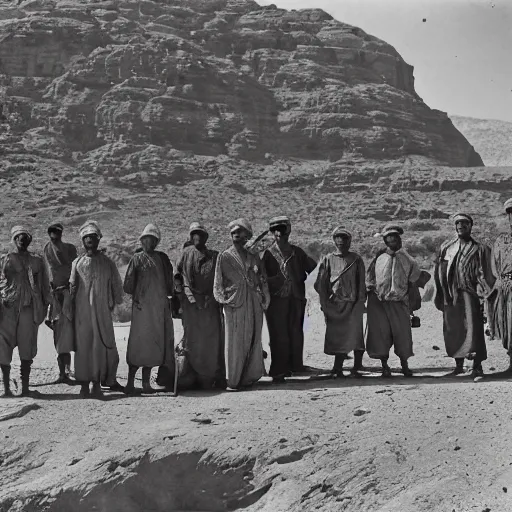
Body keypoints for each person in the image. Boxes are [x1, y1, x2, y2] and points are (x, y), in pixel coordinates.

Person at [434, 213, 494, 378]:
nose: (461, 226)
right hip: (450, 295)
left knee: (473, 329)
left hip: (470, 294)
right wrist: (440, 292)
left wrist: (486, 295)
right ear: (455, 227)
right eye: (458, 223)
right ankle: (458, 365)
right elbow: (439, 269)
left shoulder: (480, 248)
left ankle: (477, 365)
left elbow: (486, 273)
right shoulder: (447, 247)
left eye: (464, 223)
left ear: (470, 226)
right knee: (453, 328)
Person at [213, 218, 270, 391]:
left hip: (253, 300)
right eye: (233, 232)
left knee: (252, 337)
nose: (236, 234)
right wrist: (223, 300)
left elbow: (262, 278)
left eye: (240, 232)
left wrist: (265, 297)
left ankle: (249, 377)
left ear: (247, 235)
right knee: (234, 341)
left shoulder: (253, 256)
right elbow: (218, 282)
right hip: (234, 302)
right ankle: (233, 380)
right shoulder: (224, 256)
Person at [70, 221, 124, 398]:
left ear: (98, 240)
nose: (90, 241)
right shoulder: (77, 263)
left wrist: (116, 303)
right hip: (82, 313)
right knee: (84, 346)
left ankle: (97, 384)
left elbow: (117, 284)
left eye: (93, 237)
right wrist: (69, 310)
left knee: (100, 346)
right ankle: (84, 384)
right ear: (83, 241)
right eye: (87, 238)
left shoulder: (108, 263)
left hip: (102, 312)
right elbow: (72, 287)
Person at [262, 216, 316, 382]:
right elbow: (261, 277)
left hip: (296, 297)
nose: (280, 233)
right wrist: (278, 281)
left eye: (283, 230)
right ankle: (279, 368)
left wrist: (299, 279)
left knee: (296, 332)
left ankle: (296, 365)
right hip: (277, 300)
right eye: (276, 230)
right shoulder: (267, 254)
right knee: (278, 334)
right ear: (273, 233)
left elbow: (312, 268)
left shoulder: (296, 252)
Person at [123, 224, 175, 394]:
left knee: (153, 345)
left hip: (158, 310)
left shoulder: (162, 259)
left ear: (156, 242)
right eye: (146, 239)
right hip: (141, 310)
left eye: (152, 240)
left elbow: (169, 285)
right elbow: (128, 285)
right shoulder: (136, 259)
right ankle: (130, 383)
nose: (149, 243)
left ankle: (146, 384)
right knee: (138, 345)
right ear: (142, 241)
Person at [0, 226, 50, 397]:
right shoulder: (5, 259)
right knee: (3, 345)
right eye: (18, 238)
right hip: (7, 308)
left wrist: (46, 304)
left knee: (27, 345)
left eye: (24, 238)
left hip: (28, 307)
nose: (21, 241)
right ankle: (6, 388)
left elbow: (44, 284)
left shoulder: (37, 261)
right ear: (14, 240)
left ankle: (25, 388)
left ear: (29, 241)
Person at [366, 224, 420, 378]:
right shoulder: (379, 258)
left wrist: (412, 304)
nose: (392, 240)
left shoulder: (408, 259)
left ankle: (405, 365)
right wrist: (371, 290)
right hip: (380, 303)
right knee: (381, 334)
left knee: (402, 335)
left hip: (400, 302)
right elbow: (370, 278)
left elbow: (413, 281)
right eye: (389, 238)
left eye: (395, 237)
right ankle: (385, 367)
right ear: (385, 240)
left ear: (399, 239)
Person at [177, 222, 225, 389]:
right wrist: (184, 297)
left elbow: (220, 280)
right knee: (192, 342)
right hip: (191, 306)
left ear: (205, 238)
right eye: (194, 234)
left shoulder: (215, 256)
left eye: (200, 235)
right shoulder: (185, 254)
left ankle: (208, 377)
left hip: (210, 305)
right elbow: (178, 276)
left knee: (210, 342)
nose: (197, 237)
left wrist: (213, 298)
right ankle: (190, 376)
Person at [314, 227, 366, 378]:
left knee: (356, 334)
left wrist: (360, 302)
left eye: (344, 239)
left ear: (349, 241)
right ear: (334, 241)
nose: (341, 242)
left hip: (353, 304)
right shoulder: (328, 259)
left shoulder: (356, 260)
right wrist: (325, 303)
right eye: (338, 239)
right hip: (335, 305)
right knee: (337, 336)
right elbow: (320, 284)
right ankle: (338, 367)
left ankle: (357, 366)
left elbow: (361, 283)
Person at [43, 222, 78, 383]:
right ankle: (61, 373)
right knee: (58, 335)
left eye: (56, 232)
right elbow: (49, 273)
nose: (54, 236)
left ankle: (67, 371)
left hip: (68, 295)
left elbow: (73, 269)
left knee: (68, 335)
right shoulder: (47, 249)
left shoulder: (70, 249)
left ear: (61, 233)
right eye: (51, 232)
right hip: (55, 296)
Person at [489, 199, 512, 371]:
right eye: (510, 214)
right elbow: (494, 265)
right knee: (507, 325)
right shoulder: (501, 240)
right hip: (505, 288)